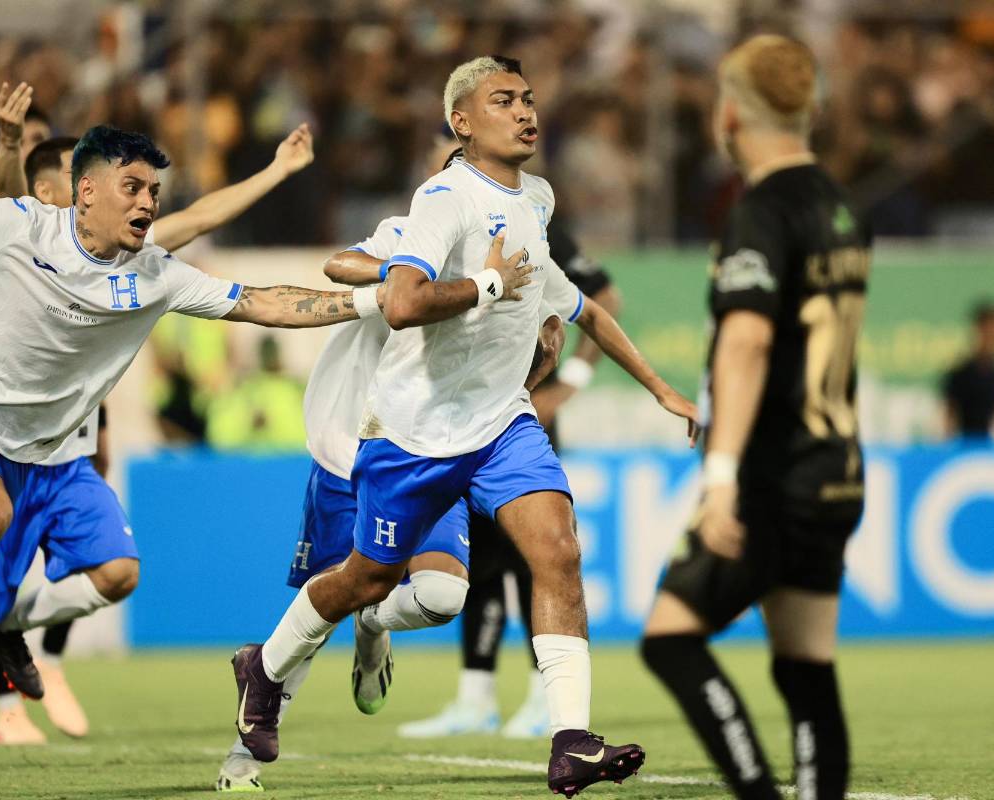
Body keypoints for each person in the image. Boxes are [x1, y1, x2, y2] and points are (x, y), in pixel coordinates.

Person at [0, 123, 388, 800]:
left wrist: (372, 301)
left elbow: (263, 303)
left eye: (154, 191)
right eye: (133, 187)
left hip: (26, 449)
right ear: (85, 192)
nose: (148, 201)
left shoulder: (156, 275)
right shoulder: (23, 224)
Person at [231, 56, 696, 798]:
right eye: (503, 100)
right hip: (412, 433)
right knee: (366, 579)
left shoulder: (536, 199)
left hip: (501, 423)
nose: (525, 111)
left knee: (558, 551)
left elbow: (581, 306)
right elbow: (403, 303)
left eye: (528, 98)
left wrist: (663, 390)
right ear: (462, 123)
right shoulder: (442, 199)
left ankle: (571, 742)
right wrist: (486, 284)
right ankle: (266, 666)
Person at [0, 104, 317, 749]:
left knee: (116, 572)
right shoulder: (19, 237)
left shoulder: (129, 254)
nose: (134, 200)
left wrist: (276, 170)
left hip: (69, 454)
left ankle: (8, 634)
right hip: (3, 448)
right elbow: (3, 209)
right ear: (62, 191)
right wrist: (7, 146)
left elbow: (200, 218)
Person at [639, 35, 871, 800]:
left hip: (775, 475)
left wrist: (721, 478)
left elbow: (746, 343)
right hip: (837, 468)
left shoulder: (760, 212)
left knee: (671, 641)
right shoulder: (841, 205)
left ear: (731, 114)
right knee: (806, 668)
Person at [398, 204, 621, 741]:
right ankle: (476, 695)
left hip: (520, 419)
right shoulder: (447, 219)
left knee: (533, 551)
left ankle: (544, 694)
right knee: (479, 557)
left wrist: (568, 385)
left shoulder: (536, 224)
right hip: (467, 420)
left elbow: (604, 299)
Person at [942, 301, 994, 438]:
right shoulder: (960, 372)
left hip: (990, 443)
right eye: (988, 330)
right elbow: (949, 415)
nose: (992, 335)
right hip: (964, 442)